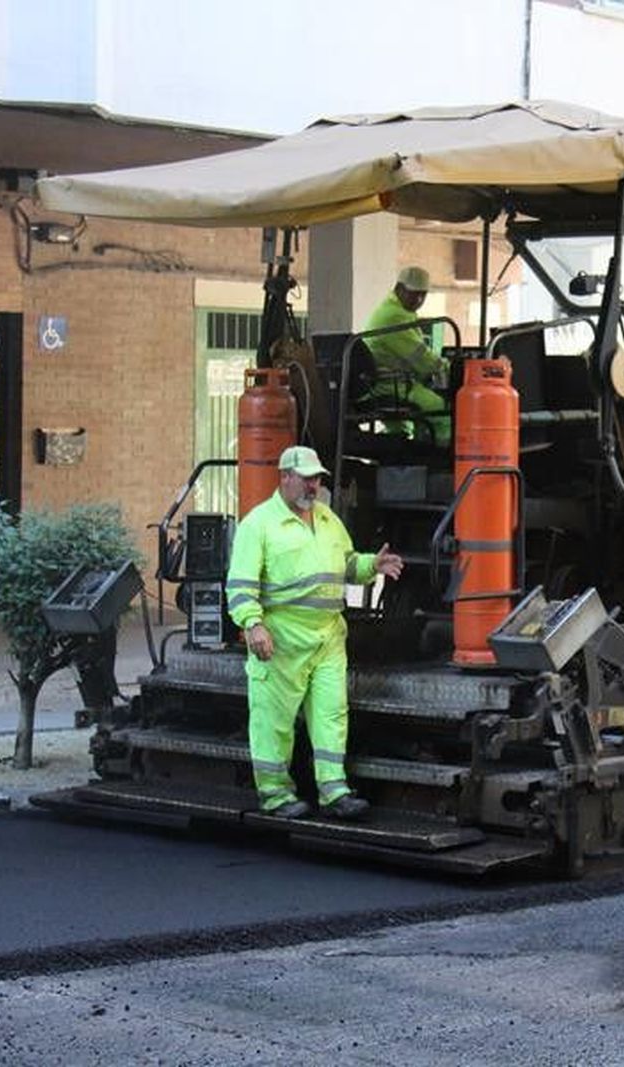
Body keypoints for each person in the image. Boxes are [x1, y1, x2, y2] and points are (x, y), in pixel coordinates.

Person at [226, 445, 404, 820]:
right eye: (306, 478)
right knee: (273, 720)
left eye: (317, 478)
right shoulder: (258, 525)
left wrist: (374, 564)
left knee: (331, 715)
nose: (313, 485)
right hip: (280, 641)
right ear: (285, 478)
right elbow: (240, 585)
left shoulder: (327, 520)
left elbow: (347, 564)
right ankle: (275, 796)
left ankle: (334, 790)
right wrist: (253, 624)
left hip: (327, 639)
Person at [361, 265, 450, 442]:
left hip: (383, 384)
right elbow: (421, 359)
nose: (418, 299)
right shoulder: (393, 317)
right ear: (399, 288)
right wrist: (448, 367)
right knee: (443, 412)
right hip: (393, 386)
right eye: (414, 293)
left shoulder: (396, 310)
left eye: (423, 295)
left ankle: (409, 460)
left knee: (399, 434)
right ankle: (440, 461)